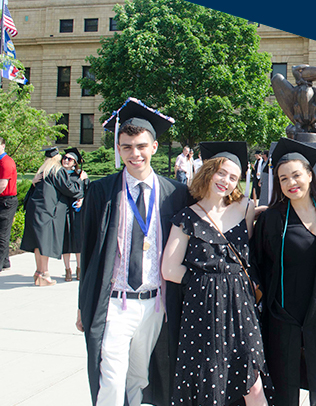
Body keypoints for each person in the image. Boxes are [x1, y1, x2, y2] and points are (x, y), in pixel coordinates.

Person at [77, 98, 189, 406]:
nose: (134, 154)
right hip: (116, 302)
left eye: (140, 146)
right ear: (119, 149)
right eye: (126, 147)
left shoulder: (175, 194)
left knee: (140, 377)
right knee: (110, 376)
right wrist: (81, 304)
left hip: (155, 304)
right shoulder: (102, 191)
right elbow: (88, 250)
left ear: (154, 146)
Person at [162, 141, 271, 406]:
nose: (226, 181)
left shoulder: (245, 207)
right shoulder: (187, 217)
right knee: (209, 384)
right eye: (221, 173)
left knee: (253, 383)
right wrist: (204, 282)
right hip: (203, 307)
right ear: (209, 171)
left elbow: (248, 254)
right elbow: (169, 268)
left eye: (233, 177)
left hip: (241, 305)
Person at [252, 138, 316, 406]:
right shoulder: (272, 218)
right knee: (284, 383)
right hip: (285, 314)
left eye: (296, 175)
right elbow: (257, 262)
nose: (291, 183)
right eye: (283, 179)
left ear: (309, 174)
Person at [20, 147, 83, 286]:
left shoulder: (42, 171)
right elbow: (69, 189)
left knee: (38, 243)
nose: (63, 160)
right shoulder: (56, 171)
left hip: (35, 209)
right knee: (45, 242)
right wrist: (80, 183)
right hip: (47, 211)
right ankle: (45, 274)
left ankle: (38, 272)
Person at [61, 148, 89, 282]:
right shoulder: (59, 175)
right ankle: (67, 270)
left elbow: (87, 192)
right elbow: (69, 191)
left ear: (75, 163)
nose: (65, 160)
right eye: (64, 158)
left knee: (78, 241)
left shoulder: (81, 176)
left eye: (69, 159)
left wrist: (83, 200)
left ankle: (79, 269)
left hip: (78, 213)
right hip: (64, 212)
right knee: (65, 242)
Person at [0, 136, 18, 272]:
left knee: (2, 234)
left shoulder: (6, 162)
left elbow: (2, 185)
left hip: (6, 201)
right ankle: (5, 262)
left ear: (3, 146)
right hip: (4, 200)